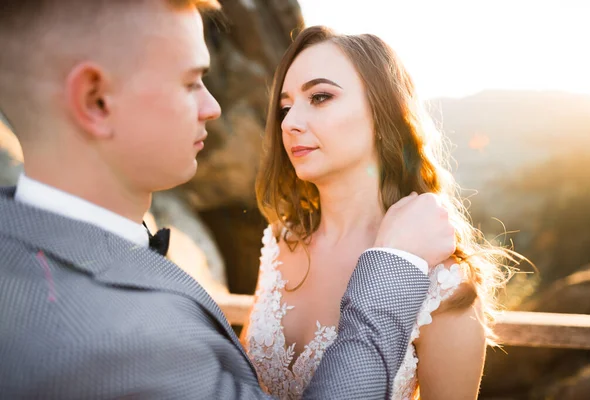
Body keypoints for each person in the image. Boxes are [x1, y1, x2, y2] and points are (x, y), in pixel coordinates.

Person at [0, 2, 455, 399]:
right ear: (96, 100)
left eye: (320, 97)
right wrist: (396, 266)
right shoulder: (119, 344)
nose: (213, 106)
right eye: (191, 81)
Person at [243, 25, 516, 399]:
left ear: (384, 112)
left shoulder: (441, 280)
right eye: (285, 108)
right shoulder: (279, 242)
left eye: (320, 97)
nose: (289, 123)